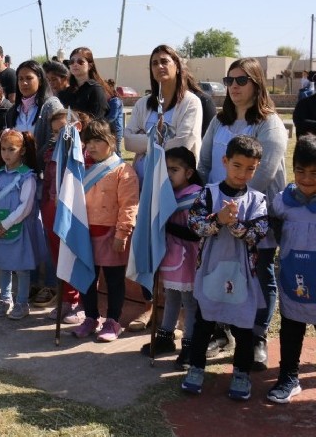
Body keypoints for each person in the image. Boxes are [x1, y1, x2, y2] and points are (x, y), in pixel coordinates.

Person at [197, 58, 287, 370]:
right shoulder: (218, 121)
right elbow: (205, 163)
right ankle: (222, 333)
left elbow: (261, 177)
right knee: (220, 271)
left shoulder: (270, 124)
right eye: (229, 80)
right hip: (217, 218)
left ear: (256, 84)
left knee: (260, 274)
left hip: (254, 217)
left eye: (241, 80)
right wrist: (212, 210)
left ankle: (258, 336)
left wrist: (234, 212)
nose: (233, 86)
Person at [182, 135, 269, 401]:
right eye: (237, 166)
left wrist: (235, 225)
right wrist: (218, 220)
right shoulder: (209, 193)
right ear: (225, 161)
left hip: (243, 273)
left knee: (244, 325)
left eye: (250, 168)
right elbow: (195, 225)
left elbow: (260, 232)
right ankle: (196, 367)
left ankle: (241, 372)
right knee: (204, 320)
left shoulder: (257, 200)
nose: (243, 173)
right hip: (211, 270)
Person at [72, 120, 139, 342]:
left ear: (110, 141)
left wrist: (122, 233)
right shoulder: (82, 168)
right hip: (85, 233)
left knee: (114, 280)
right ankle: (91, 317)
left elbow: (129, 206)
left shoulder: (123, 171)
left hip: (112, 235)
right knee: (87, 279)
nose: (91, 146)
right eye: (88, 141)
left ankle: (113, 321)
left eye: (97, 140)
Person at [139, 147, 203, 369]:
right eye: (165, 170)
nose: (168, 174)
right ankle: (165, 337)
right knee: (172, 298)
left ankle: (190, 344)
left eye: (174, 169)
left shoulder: (196, 196)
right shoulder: (166, 195)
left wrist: (166, 225)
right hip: (170, 256)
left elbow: (195, 232)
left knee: (190, 302)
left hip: (187, 257)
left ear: (188, 172)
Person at [266, 134, 316, 403]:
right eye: (300, 171)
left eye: (314, 172)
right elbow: (271, 222)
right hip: (292, 280)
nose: (306, 178)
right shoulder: (283, 201)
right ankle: (288, 377)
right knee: (291, 330)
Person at [0, 130, 43, 320]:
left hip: (18, 228)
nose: (6, 154)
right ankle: (5, 299)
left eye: (12, 149)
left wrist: (6, 224)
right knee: (4, 264)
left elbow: (25, 207)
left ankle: (22, 302)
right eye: (3, 149)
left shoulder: (27, 177)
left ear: (23, 150)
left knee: (21, 267)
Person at [124, 45, 203, 184]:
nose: (159, 66)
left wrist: (145, 140)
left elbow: (184, 143)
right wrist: (163, 140)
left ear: (177, 66)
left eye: (164, 61)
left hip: (175, 186)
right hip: (142, 183)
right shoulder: (143, 104)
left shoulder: (191, 102)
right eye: (154, 63)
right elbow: (129, 142)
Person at [43, 109, 90, 321]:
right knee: (58, 257)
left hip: (77, 213)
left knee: (76, 254)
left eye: (63, 129)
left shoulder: (86, 154)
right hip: (53, 211)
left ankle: (80, 302)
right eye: (55, 132)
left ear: (77, 127)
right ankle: (65, 299)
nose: (58, 135)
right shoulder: (52, 153)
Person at [5, 60, 63, 169]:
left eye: (29, 78)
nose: (24, 83)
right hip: (19, 173)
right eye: (20, 79)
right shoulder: (12, 112)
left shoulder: (51, 106)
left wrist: (32, 163)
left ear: (40, 80)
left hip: (44, 174)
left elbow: (54, 140)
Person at [66, 47, 110, 120]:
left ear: (90, 66)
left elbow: (97, 120)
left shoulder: (96, 89)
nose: (75, 64)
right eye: (72, 62)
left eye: (80, 62)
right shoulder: (67, 91)